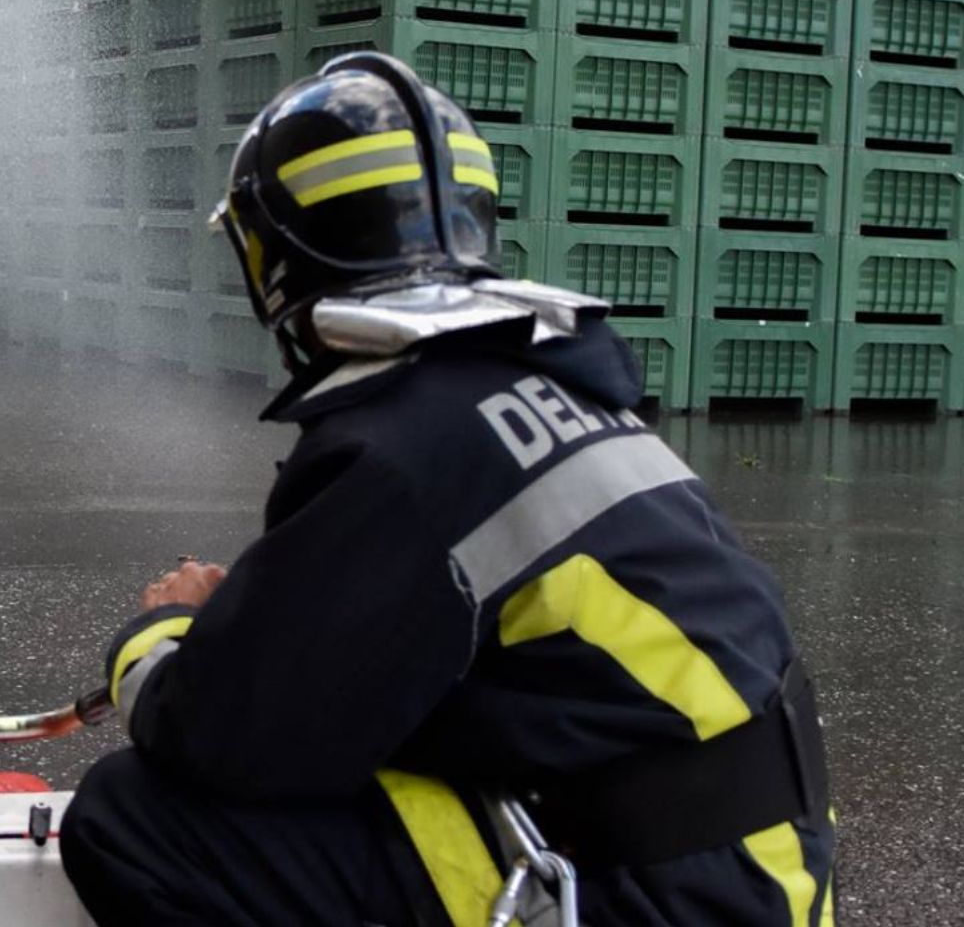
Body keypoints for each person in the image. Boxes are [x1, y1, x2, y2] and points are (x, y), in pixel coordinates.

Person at [59, 52, 834, 926]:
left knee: (137, 821)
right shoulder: (545, 383)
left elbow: (225, 739)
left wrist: (163, 635)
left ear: (275, 253)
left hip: (658, 893)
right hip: (757, 865)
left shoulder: (401, 440)